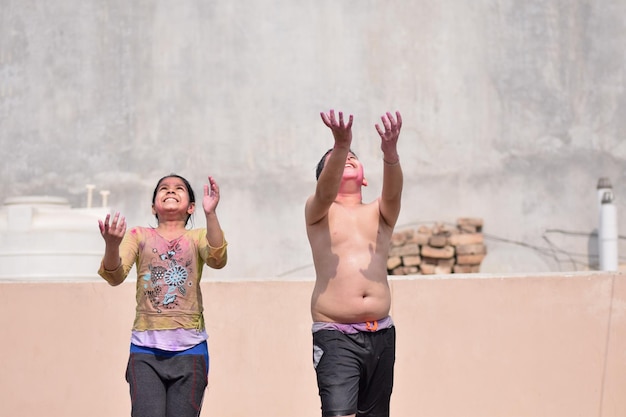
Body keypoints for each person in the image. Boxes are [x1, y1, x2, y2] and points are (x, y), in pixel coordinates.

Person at [97, 174, 228, 417]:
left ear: (191, 207)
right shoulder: (138, 235)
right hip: (145, 351)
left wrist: (211, 214)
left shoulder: (197, 237)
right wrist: (112, 246)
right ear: (153, 206)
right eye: (164, 189)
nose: (170, 191)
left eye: (179, 189)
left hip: (191, 351)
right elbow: (114, 276)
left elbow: (217, 259)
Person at [305, 109, 403, 417]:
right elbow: (323, 192)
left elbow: (394, 191)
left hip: (381, 334)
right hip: (335, 334)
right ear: (326, 177)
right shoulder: (319, 212)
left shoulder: (380, 212)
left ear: (365, 178)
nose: (347, 159)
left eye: (353, 158)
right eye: (335, 159)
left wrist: (390, 154)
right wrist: (342, 145)